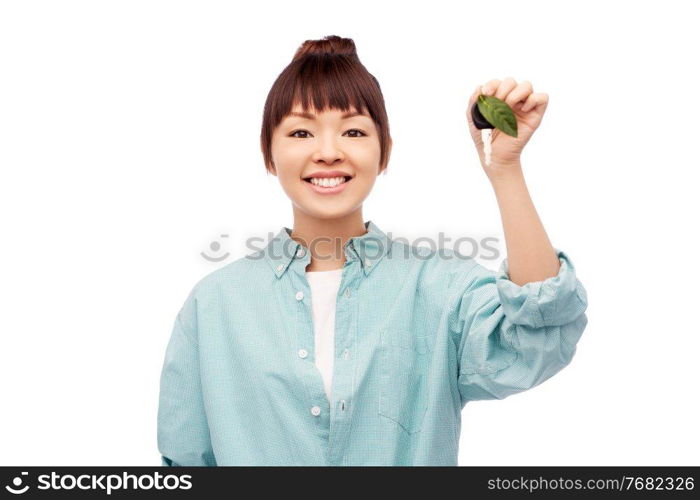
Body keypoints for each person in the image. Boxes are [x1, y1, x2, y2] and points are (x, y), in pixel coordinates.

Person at [157, 35, 589, 466]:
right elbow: (184, 465)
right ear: (269, 154)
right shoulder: (213, 305)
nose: (328, 152)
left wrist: (505, 169)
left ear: (384, 153)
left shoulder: (438, 288)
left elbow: (539, 337)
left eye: (354, 131)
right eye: (302, 131)